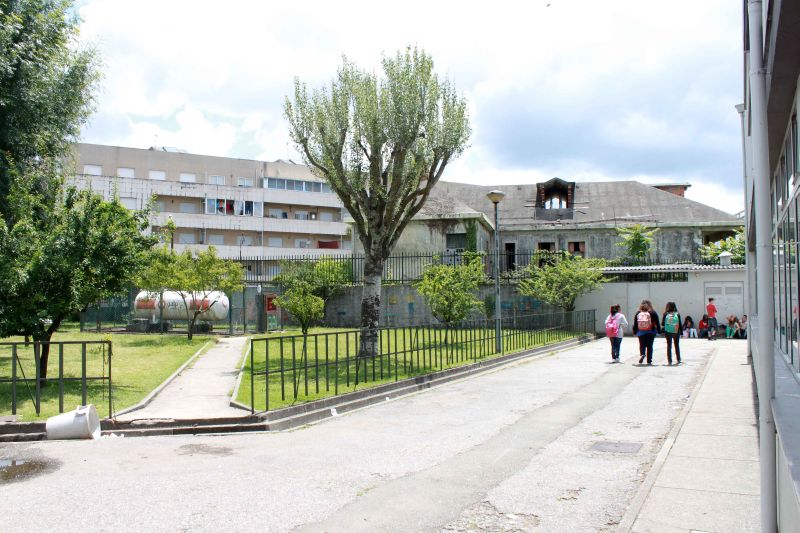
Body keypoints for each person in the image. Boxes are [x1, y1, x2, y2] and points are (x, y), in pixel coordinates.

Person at [632, 300, 661, 365]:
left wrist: (634, 331)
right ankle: (649, 360)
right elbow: (657, 322)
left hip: (641, 332)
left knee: (642, 344)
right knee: (650, 345)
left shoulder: (638, 313)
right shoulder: (653, 312)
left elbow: (635, 323)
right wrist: (659, 331)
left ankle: (642, 354)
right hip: (651, 331)